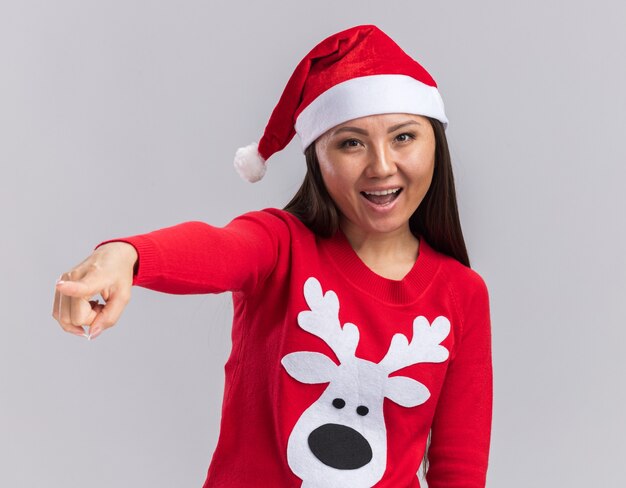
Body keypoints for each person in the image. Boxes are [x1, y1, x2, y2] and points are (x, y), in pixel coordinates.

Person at [52, 24, 492, 488]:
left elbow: (459, 469)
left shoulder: (461, 293)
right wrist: (125, 256)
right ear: (316, 156)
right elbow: (216, 249)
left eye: (404, 137)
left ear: (434, 145)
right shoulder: (280, 246)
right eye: (351, 142)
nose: (382, 165)